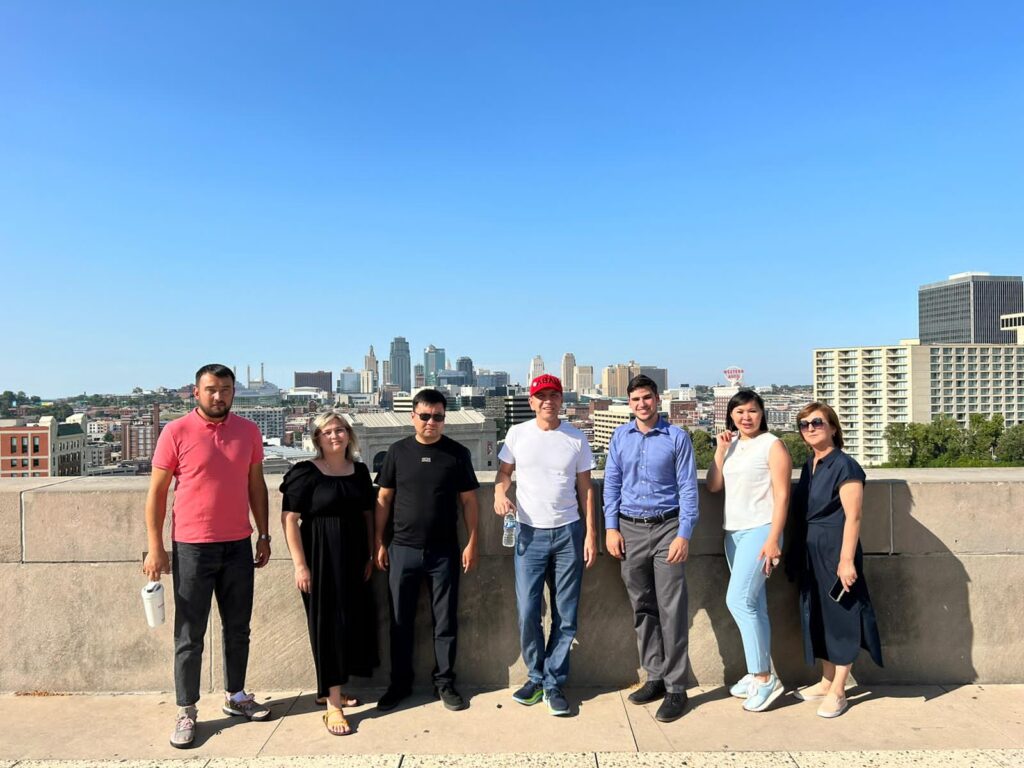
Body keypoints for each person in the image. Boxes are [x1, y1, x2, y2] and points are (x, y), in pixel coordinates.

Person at [142, 363, 272, 749]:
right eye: (212, 389)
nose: (219, 396)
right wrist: (156, 546)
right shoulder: (175, 431)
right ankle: (186, 710)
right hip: (192, 546)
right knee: (189, 633)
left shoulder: (248, 431)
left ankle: (236, 696)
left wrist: (263, 534)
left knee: (238, 628)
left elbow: (256, 485)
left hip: (237, 544)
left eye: (226, 389)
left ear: (235, 392)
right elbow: (157, 493)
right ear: (195, 393)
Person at [495, 373, 597, 717]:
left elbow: (586, 490)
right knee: (528, 613)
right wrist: (499, 492)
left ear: (562, 399)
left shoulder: (576, 437)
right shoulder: (517, 434)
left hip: (569, 532)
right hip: (528, 533)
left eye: (554, 395)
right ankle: (535, 677)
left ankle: (553, 682)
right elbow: (504, 473)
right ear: (532, 400)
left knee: (566, 615)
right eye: (542, 396)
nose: (548, 401)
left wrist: (591, 535)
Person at [374, 389, 480, 713]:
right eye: (425, 416)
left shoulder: (458, 453)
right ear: (413, 417)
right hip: (402, 549)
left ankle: (445, 682)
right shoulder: (397, 452)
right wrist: (378, 541)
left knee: (445, 621)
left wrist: (472, 542)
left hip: (444, 551)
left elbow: (469, 501)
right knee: (399, 621)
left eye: (437, 417)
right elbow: (384, 499)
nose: (431, 422)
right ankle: (399, 684)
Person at [603, 375, 699, 723]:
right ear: (629, 404)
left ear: (658, 400)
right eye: (635, 400)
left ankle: (676, 688)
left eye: (647, 398)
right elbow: (611, 484)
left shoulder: (677, 437)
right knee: (642, 606)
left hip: (667, 528)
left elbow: (688, 489)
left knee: (672, 609)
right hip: (629, 529)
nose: (642, 404)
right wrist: (611, 528)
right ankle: (654, 676)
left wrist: (684, 534)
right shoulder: (619, 436)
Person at [280, 411, 378, 736]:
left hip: (353, 558)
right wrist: (300, 564)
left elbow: (367, 515)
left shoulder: (359, 471)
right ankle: (332, 705)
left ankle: (333, 689)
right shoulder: (304, 472)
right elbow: (290, 520)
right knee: (328, 628)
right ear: (317, 439)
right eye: (327, 432)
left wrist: (368, 553)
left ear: (349, 435)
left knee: (350, 625)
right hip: (319, 559)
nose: (334, 436)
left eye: (339, 430)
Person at [786, 402, 883, 718]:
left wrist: (846, 560)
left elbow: (854, 516)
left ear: (833, 427)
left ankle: (840, 689)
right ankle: (826, 681)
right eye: (804, 424)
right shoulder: (811, 463)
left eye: (817, 422)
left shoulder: (845, 465)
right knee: (818, 615)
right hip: (811, 549)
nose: (810, 428)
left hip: (835, 548)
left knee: (841, 615)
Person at [705, 389, 791, 712]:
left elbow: (783, 496)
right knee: (756, 605)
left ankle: (764, 677)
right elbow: (714, 486)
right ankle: (759, 675)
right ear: (731, 416)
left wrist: (773, 538)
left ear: (762, 413)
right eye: (739, 411)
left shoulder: (773, 445)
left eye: (752, 411)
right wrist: (720, 450)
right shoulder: (733, 446)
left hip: (761, 531)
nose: (746, 417)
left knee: (738, 600)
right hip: (734, 534)